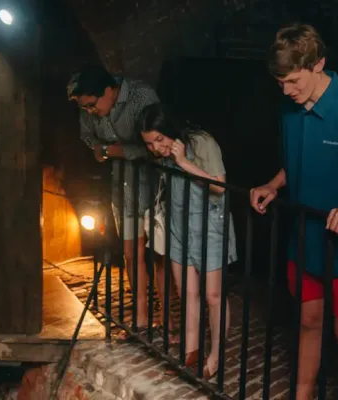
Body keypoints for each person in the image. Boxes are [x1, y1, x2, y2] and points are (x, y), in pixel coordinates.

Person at [249, 24, 338, 400]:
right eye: (280, 82)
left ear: (319, 64)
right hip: (304, 239)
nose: (286, 90)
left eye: (294, 81)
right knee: (308, 323)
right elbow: (298, 160)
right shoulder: (289, 106)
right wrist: (274, 184)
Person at [67, 65, 174, 338]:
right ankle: (140, 321)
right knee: (131, 253)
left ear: (108, 91)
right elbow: (89, 139)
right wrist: (107, 151)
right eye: (85, 108)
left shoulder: (141, 96)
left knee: (159, 254)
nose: (89, 112)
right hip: (122, 185)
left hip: (154, 186)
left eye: (92, 105)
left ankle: (167, 318)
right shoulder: (88, 109)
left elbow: (157, 142)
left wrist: (113, 150)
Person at [139, 103, 237, 379]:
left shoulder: (202, 142)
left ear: (171, 129)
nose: (156, 147)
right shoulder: (162, 153)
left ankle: (216, 355)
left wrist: (184, 163)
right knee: (187, 293)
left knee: (213, 296)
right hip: (179, 224)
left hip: (209, 224)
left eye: (160, 139)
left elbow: (220, 187)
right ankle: (191, 353)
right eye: (149, 143)